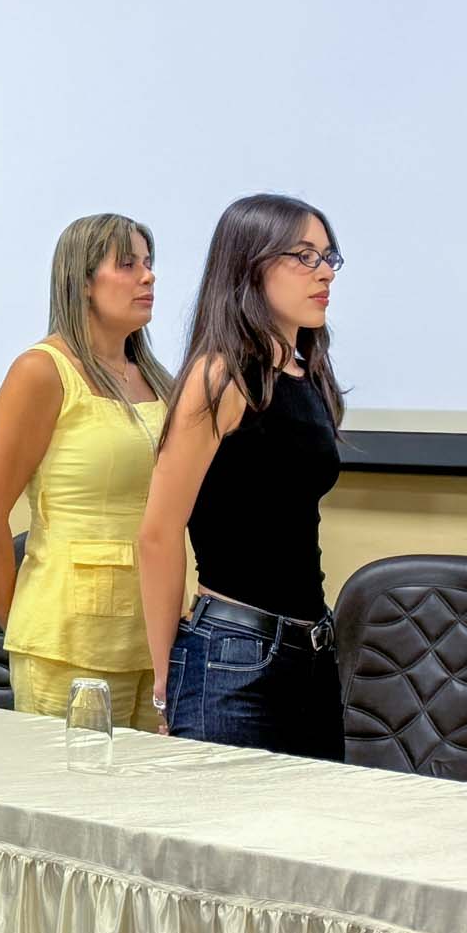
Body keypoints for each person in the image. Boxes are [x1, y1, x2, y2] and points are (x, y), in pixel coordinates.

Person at [138, 193, 348, 760]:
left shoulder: (306, 374)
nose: (325, 273)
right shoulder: (220, 377)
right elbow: (158, 533)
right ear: (251, 266)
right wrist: (165, 678)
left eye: (329, 257)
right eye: (304, 257)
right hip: (232, 654)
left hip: (312, 652)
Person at [0, 214, 174, 725]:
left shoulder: (155, 379)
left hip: (151, 637)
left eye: (149, 264)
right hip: (67, 642)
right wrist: (25, 625)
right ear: (82, 281)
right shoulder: (42, 371)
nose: (148, 276)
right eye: (128, 264)